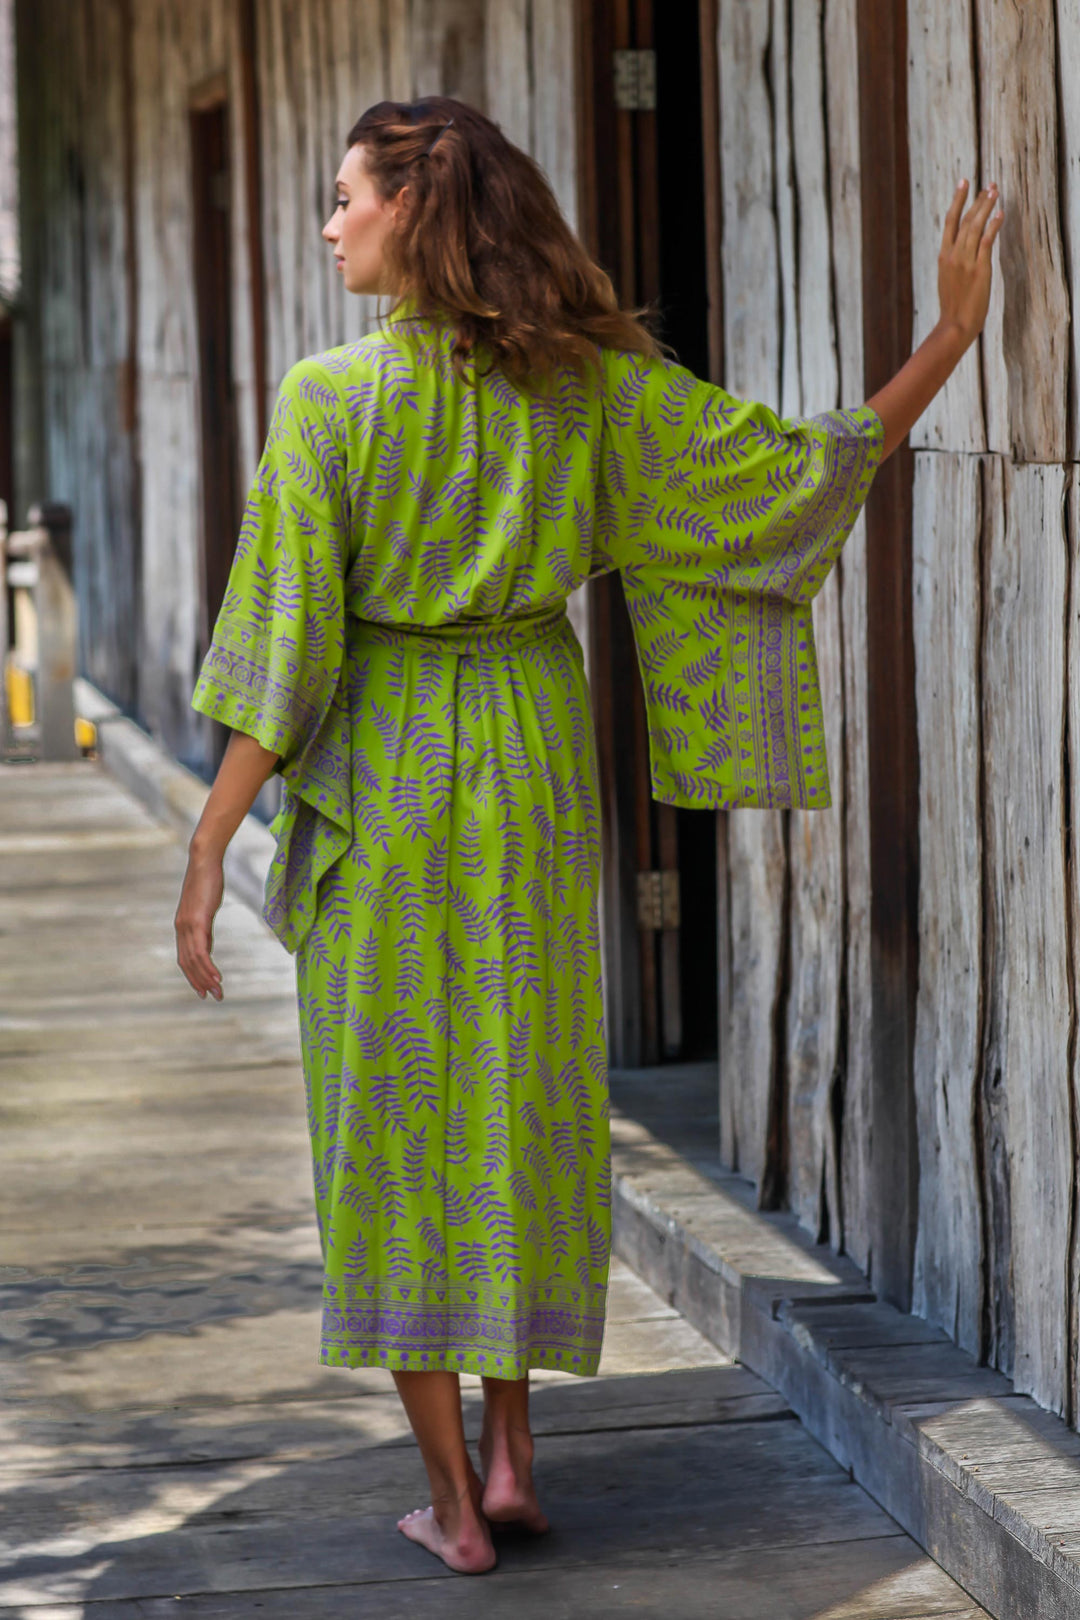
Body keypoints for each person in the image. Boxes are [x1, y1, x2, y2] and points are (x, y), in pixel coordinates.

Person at [174, 95, 1002, 1576]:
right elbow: (783, 477)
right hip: (533, 767)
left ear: (409, 218)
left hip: (392, 773)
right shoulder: (592, 392)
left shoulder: (326, 402)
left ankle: (451, 1506)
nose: (327, 224)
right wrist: (948, 339)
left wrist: (207, 851)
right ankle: (510, 1457)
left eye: (344, 198)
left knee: (391, 1121)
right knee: (519, 1095)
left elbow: (284, 655)